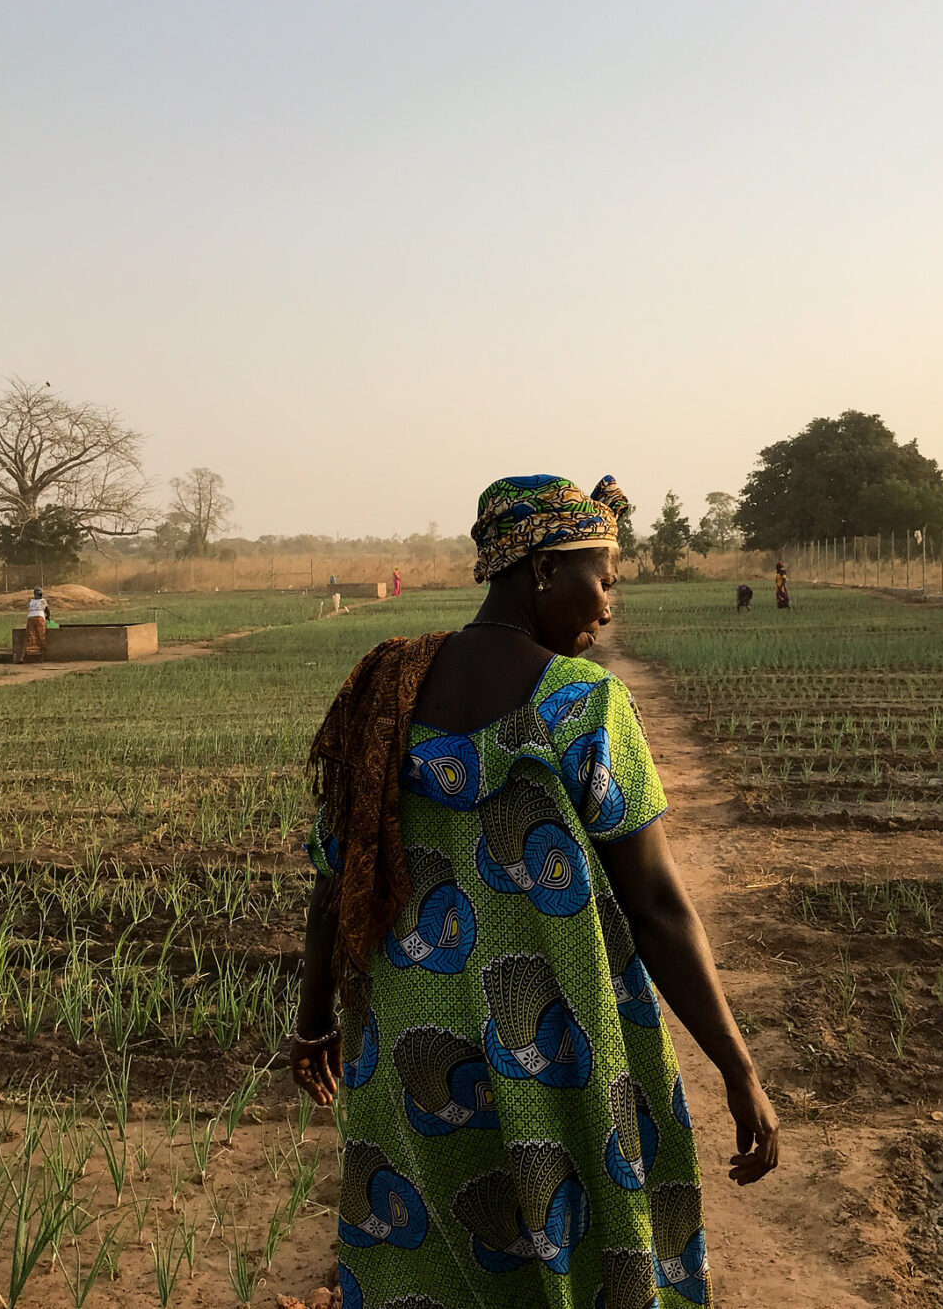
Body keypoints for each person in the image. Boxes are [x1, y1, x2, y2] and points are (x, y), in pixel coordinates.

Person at [293, 474, 778, 1309]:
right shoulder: (583, 706)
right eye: (605, 578)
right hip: (556, 1050)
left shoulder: (387, 692)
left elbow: (339, 878)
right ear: (545, 570)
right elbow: (658, 908)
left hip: (414, 1049)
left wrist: (312, 1024)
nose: (610, 604)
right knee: (574, 1262)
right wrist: (737, 1068)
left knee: (436, 1264)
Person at [20, 586, 52, 662]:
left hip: (30, 619)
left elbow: (30, 608)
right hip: (40, 619)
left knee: (30, 636)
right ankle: (41, 657)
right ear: (41, 594)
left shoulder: (30, 601)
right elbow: (47, 611)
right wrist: (48, 618)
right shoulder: (43, 601)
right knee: (41, 636)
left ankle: (23, 657)